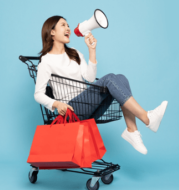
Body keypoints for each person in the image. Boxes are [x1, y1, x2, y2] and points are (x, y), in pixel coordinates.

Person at [34, 16, 168, 155]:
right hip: (71, 111)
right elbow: (38, 94)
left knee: (121, 78)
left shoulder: (74, 53)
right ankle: (147, 118)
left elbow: (90, 78)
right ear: (52, 32)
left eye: (68, 25)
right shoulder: (46, 61)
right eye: (63, 25)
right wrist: (57, 104)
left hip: (87, 107)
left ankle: (132, 131)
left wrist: (92, 51)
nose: (68, 28)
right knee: (110, 78)